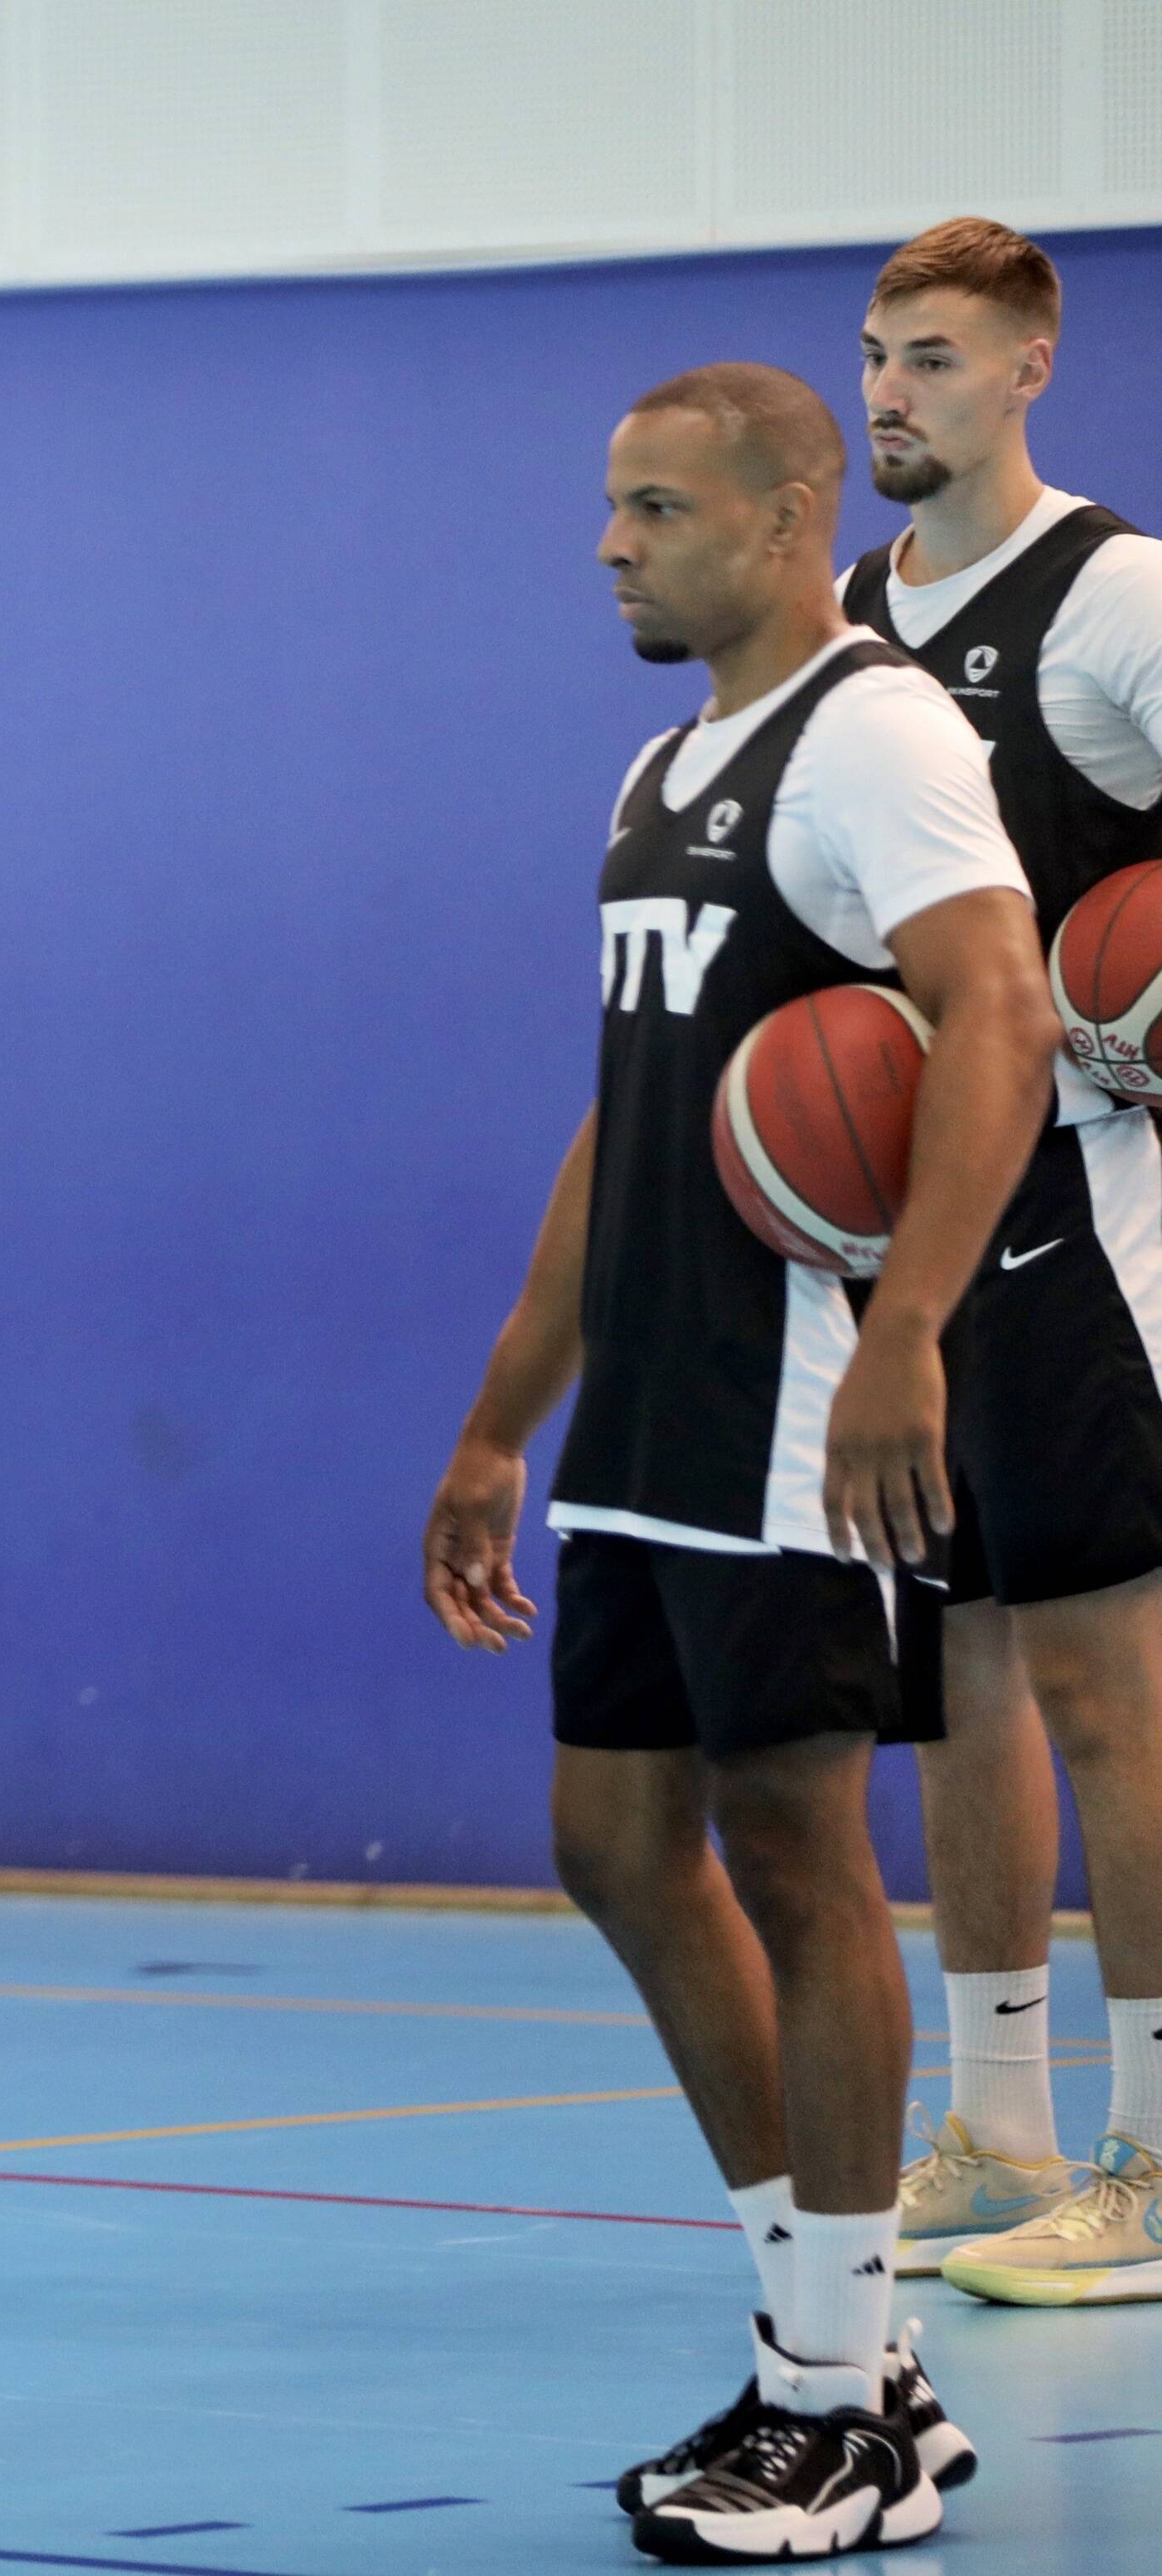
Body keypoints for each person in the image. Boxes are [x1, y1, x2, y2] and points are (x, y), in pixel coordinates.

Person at [422, 363, 1058, 2561]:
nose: (612, 541)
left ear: (791, 518)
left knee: (795, 1841)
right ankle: (844, 2350)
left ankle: (840, 2403)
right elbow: (627, 1112)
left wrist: (911, 1332)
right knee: (615, 1838)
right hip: (651, 1416)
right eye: (610, 505)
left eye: (658, 508)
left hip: (803, 1406)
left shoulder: (874, 734)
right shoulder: (659, 764)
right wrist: (508, 1413)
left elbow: (1000, 1008)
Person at [834, 217, 1162, 2307]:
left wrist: (1134, 1021)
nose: (890, 390)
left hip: (1090, 1214)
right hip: (915, 1235)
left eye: (934, 357)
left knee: (1105, 1688)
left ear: (1030, 368)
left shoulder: (1112, 589)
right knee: (950, 1684)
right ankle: (1000, 2128)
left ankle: (1155, 2149)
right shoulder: (852, 619)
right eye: (872, 354)